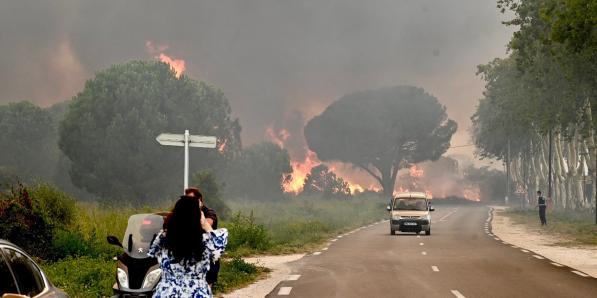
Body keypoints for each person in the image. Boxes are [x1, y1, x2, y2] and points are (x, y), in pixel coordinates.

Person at [148, 196, 227, 298]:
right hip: (197, 293)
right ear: (199, 216)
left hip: (167, 292)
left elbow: (152, 253)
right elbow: (219, 247)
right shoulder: (206, 241)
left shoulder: (164, 238)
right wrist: (205, 224)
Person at [184, 187, 220, 287]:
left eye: (191, 200)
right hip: (192, 257)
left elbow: (207, 224)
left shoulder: (208, 212)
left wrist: (198, 211)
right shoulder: (185, 213)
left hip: (208, 256)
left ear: (199, 200)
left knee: (206, 288)